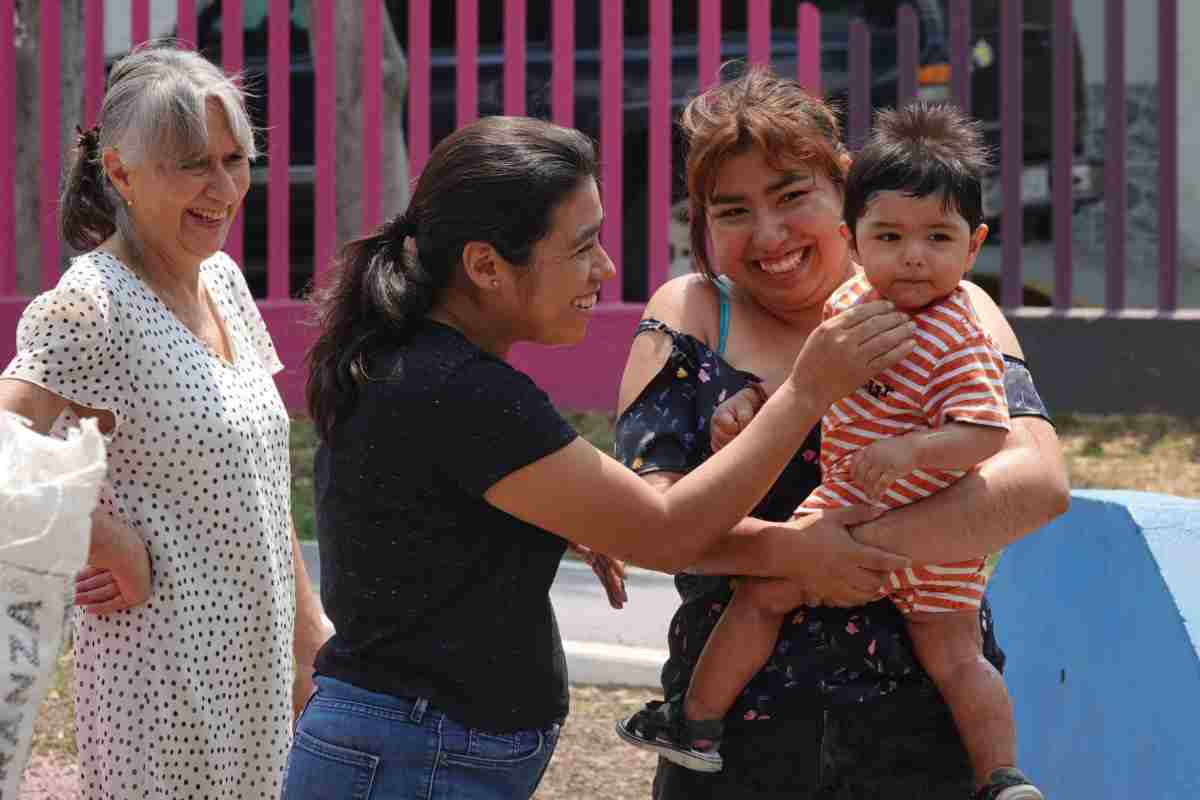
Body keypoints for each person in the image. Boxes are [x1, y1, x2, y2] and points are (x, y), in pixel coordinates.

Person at [282, 114, 916, 800]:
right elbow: (668, 530)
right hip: (415, 760)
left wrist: (563, 517)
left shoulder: (425, 367)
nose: (605, 269)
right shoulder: (458, 389)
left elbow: (431, 516)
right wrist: (807, 393)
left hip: (416, 752)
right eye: (582, 247)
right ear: (486, 266)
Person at [611, 66, 1068, 799]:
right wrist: (789, 543)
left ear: (846, 190)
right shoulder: (694, 312)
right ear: (702, 222)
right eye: (732, 212)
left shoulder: (953, 305)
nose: (769, 235)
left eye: (793, 196)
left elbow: (1038, 485)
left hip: (917, 724)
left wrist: (839, 554)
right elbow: (643, 520)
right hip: (737, 740)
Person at [0, 43, 332, 798]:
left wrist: (309, 636)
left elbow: (261, 482)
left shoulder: (223, 280)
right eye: (191, 163)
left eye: (234, 159)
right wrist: (105, 537)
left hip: (256, 669)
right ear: (120, 172)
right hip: (159, 683)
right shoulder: (92, 304)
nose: (222, 187)